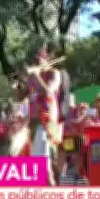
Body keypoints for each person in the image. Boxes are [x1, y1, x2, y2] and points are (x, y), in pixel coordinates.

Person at [27, 49, 62, 187]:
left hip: (48, 121)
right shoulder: (31, 77)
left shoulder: (54, 73)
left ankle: (52, 189)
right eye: (33, 60)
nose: (35, 62)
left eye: (38, 59)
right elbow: (23, 96)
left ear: (46, 59)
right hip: (34, 121)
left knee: (44, 161)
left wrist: (36, 75)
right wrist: (16, 87)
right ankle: (49, 190)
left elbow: (48, 91)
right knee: (39, 162)